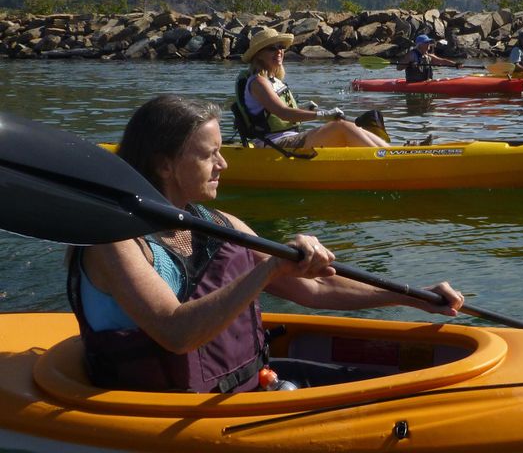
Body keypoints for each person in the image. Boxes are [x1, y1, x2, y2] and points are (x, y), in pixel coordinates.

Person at [66, 95, 464, 393]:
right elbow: (176, 333)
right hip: (162, 412)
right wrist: (268, 269)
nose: (223, 164)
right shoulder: (115, 241)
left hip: (243, 387)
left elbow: (315, 285)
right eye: (210, 155)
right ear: (165, 164)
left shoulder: (219, 224)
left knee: (401, 385)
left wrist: (412, 297)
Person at [235, 27, 387, 148]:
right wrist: (322, 115)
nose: (279, 51)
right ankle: (384, 160)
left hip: (290, 138)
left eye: (280, 47)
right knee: (340, 127)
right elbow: (283, 113)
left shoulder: (274, 80)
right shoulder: (258, 82)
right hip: (273, 143)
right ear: (259, 55)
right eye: (271, 48)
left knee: (347, 125)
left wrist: (303, 108)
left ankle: (388, 152)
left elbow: (275, 112)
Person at [397, 34, 461, 82]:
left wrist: (455, 64)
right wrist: (409, 64)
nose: (428, 44)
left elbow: (442, 61)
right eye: (426, 43)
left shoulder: (429, 56)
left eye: (429, 42)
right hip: (414, 83)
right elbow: (398, 68)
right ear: (419, 45)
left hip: (426, 82)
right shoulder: (412, 55)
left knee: (446, 79)